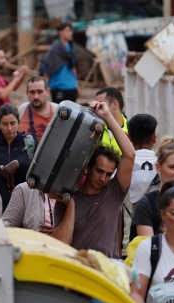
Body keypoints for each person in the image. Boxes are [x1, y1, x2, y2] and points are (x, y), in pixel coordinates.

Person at [51, 100, 136, 259]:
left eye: (108, 174)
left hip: (107, 271)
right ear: (88, 168)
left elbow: (130, 155)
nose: (103, 178)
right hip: (79, 272)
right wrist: (70, 206)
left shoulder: (114, 192)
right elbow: (61, 244)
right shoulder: (67, 199)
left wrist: (107, 116)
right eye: (99, 171)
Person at [0, 104, 36, 209]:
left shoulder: (30, 143)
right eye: (5, 124)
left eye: (13, 123)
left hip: (25, 200)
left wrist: (18, 164)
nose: (9, 128)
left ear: (18, 122)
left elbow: (39, 168)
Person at [40, 22, 78, 103]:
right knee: (60, 114)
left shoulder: (72, 48)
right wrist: (44, 88)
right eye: (68, 31)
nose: (70, 33)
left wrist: (77, 84)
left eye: (71, 31)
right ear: (60, 32)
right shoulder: (54, 49)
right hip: (58, 86)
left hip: (72, 86)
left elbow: (73, 67)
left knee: (72, 114)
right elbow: (47, 68)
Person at [0, 48, 28, 113]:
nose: (5, 61)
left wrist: (22, 75)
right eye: (2, 58)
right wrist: (15, 79)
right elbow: (2, 94)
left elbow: (13, 87)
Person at [18, 75, 59, 142]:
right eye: (32, 92)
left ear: (48, 92)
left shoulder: (57, 112)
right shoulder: (21, 111)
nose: (36, 96)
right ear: (27, 93)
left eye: (40, 92)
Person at [94, 86, 129, 156]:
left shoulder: (132, 129)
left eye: (101, 104)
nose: (96, 108)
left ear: (114, 104)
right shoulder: (95, 128)